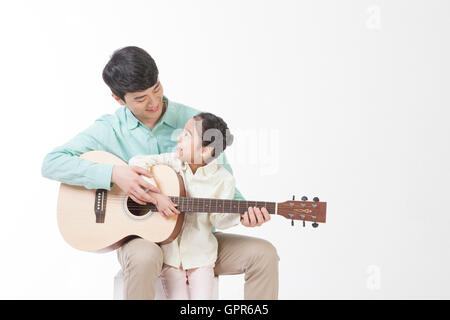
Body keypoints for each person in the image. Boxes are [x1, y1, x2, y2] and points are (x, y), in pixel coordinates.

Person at [41, 46, 279, 299]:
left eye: (156, 89)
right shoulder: (109, 129)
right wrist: (114, 174)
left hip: (197, 241)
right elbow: (52, 162)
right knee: (145, 256)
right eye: (141, 98)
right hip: (144, 240)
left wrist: (244, 214)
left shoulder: (195, 123)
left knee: (263, 254)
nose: (153, 102)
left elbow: (221, 182)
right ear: (119, 100)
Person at [129, 112, 239, 299]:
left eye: (187, 135)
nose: (179, 137)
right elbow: (136, 162)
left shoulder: (223, 180)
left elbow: (220, 221)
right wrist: (156, 196)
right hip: (169, 257)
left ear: (205, 150)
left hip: (201, 258)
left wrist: (241, 215)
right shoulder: (173, 162)